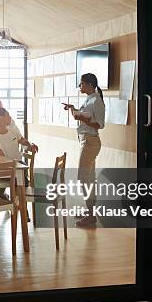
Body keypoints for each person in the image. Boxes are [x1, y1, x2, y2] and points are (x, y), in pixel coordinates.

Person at [64, 73, 105, 227]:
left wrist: (83, 118)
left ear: (89, 85)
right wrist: (73, 109)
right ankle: (90, 211)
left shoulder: (96, 100)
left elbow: (99, 124)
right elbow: (82, 117)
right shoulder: (89, 99)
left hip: (90, 141)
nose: (80, 87)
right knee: (89, 177)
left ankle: (91, 213)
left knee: (83, 177)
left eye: (81, 84)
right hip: (85, 140)